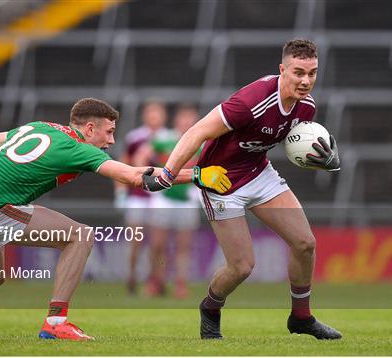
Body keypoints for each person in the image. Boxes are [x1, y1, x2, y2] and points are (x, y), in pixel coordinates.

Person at [0, 98, 231, 340]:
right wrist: (198, 174)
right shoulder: (79, 149)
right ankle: (56, 323)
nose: (111, 141)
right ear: (89, 128)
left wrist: (2, 170)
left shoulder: (41, 127)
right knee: (81, 236)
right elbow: (137, 177)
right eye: (109, 132)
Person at [142, 39, 342, 340]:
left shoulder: (307, 107)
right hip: (219, 180)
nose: (306, 81)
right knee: (242, 267)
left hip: (259, 172)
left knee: (305, 243)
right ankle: (210, 307)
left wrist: (317, 157)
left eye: (312, 73)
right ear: (282, 70)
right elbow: (196, 132)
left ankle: (301, 317)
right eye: (298, 72)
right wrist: (169, 173)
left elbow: (292, 144)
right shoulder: (252, 100)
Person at [135, 104, 201, 298]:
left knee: (183, 246)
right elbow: (141, 156)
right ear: (177, 121)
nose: (187, 123)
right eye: (184, 119)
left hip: (187, 201)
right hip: (163, 199)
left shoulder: (201, 143)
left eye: (191, 120)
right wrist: (146, 181)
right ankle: (156, 281)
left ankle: (181, 284)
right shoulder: (164, 139)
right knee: (157, 245)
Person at [114, 99, 170, 295]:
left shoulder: (170, 138)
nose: (154, 117)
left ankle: (156, 280)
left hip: (162, 197)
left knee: (158, 244)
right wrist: (121, 192)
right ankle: (131, 277)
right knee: (135, 242)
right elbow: (124, 164)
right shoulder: (135, 137)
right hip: (138, 197)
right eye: (151, 113)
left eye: (158, 113)